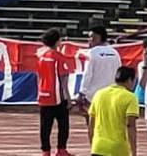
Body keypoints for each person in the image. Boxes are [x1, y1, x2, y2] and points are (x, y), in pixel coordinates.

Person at [37, 28, 73, 156]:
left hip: (43, 95)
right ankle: (61, 150)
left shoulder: (41, 57)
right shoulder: (59, 58)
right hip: (57, 96)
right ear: (57, 41)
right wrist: (68, 98)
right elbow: (63, 79)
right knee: (63, 125)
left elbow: (39, 76)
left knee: (45, 126)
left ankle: (45, 151)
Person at [88, 66, 139, 156]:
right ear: (130, 80)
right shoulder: (130, 97)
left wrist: (93, 144)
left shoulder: (99, 94)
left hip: (98, 147)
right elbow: (130, 125)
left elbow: (91, 123)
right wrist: (134, 151)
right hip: (118, 149)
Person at [79, 26, 122, 118]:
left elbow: (88, 74)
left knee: (92, 123)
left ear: (101, 37)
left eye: (93, 38)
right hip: (111, 94)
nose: (90, 40)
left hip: (94, 95)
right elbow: (119, 72)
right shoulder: (115, 52)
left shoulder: (91, 53)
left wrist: (82, 92)